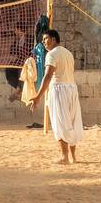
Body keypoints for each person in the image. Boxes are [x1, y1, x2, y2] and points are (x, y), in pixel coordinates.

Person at [29, 29, 84, 164]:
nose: (43, 42)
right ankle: (73, 157)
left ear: (53, 39)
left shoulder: (51, 54)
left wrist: (37, 97)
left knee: (60, 123)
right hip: (71, 88)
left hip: (59, 89)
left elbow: (48, 76)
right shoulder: (68, 53)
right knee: (71, 122)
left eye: (45, 39)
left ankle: (65, 157)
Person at [5, 26, 28, 103]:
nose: (15, 32)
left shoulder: (29, 39)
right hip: (19, 61)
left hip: (27, 62)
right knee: (8, 70)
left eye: (15, 30)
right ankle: (19, 89)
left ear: (19, 30)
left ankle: (18, 91)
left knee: (21, 71)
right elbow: (12, 50)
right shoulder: (17, 40)